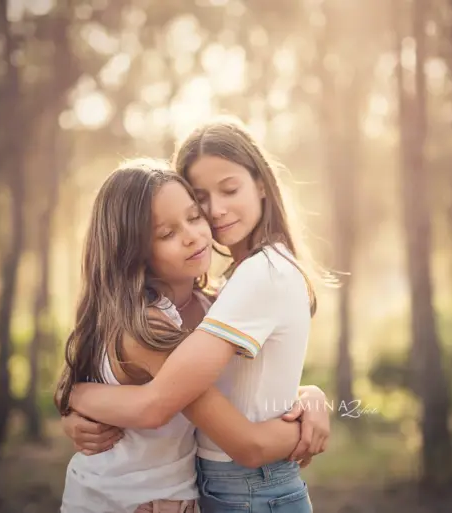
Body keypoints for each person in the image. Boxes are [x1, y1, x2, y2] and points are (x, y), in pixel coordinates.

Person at [66, 117, 327, 512]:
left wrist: (311, 396)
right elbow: (162, 405)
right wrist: (76, 396)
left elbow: (226, 392)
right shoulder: (151, 324)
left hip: (205, 493)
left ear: (261, 182)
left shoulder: (222, 295)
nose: (212, 214)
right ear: (135, 249)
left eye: (194, 215)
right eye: (167, 232)